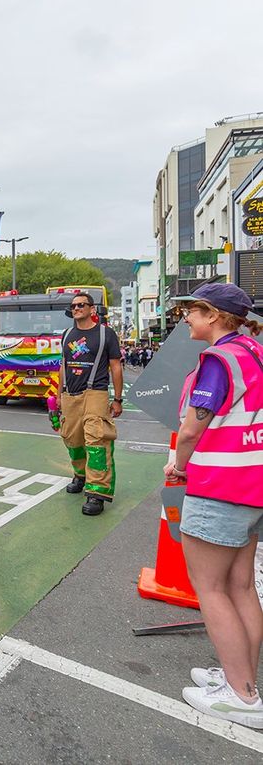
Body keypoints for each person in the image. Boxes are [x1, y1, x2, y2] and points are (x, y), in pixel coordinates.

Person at [162, 283, 263, 728]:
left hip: (220, 484)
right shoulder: (253, 351)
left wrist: (178, 466)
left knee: (212, 589)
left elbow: (190, 429)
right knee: (241, 586)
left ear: (215, 315)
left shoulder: (218, 360)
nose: (186, 318)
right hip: (251, 482)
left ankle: (241, 695)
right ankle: (242, 678)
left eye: (192, 311)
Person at [56, 292, 123, 516]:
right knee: (72, 440)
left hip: (96, 392)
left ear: (92, 309)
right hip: (70, 396)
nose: (76, 309)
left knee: (96, 440)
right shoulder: (66, 335)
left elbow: (115, 367)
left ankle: (97, 492)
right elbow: (62, 367)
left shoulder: (106, 334)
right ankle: (81, 475)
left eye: (81, 305)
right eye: (73, 306)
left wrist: (117, 399)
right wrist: (58, 396)